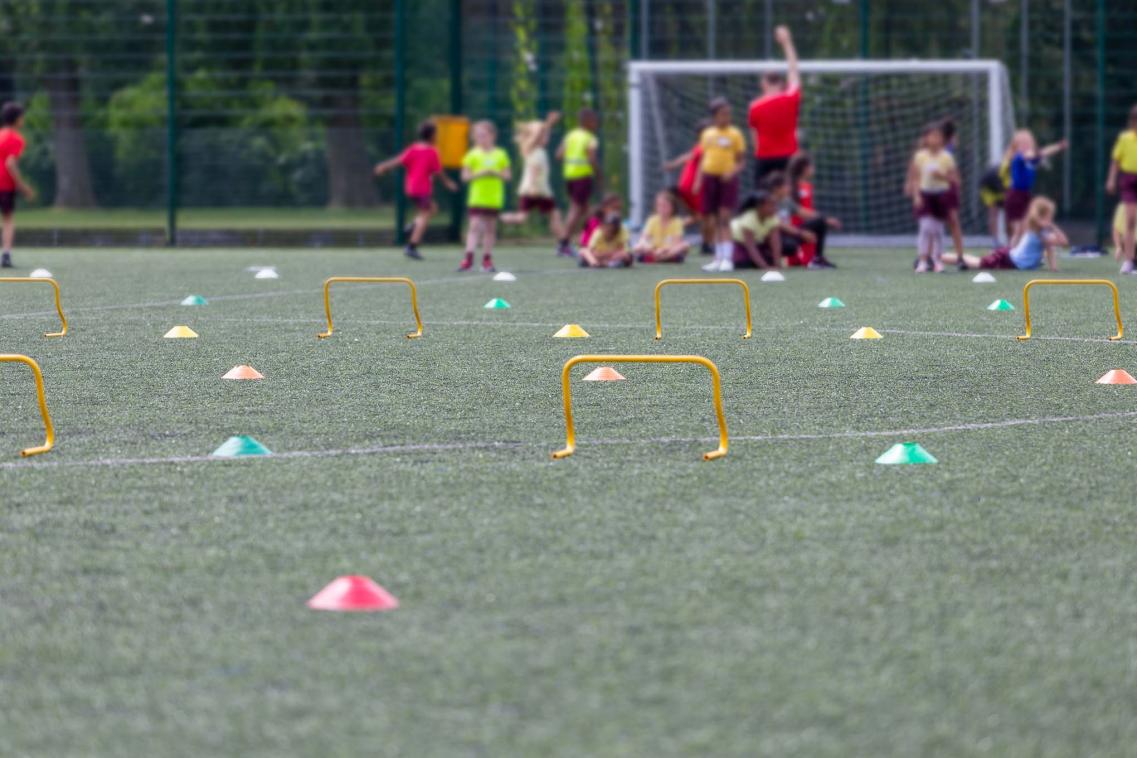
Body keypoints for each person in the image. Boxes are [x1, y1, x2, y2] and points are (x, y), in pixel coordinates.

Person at [373, 120, 458, 261]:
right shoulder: (432, 151)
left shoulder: (413, 149)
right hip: (422, 189)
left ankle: (412, 226)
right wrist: (448, 183)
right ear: (432, 135)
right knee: (425, 214)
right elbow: (439, 172)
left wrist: (383, 166)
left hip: (411, 188)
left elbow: (398, 161)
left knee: (432, 209)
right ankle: (411, 246)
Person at [943, 197, 1065, 272]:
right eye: (1049, 216)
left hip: (1009, 257)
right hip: (1008, 260)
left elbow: (1051, 248)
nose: (1050, 219)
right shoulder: (1037, 233)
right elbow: (1062, 242)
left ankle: (938, 257)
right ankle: (938, 257)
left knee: (975, 261)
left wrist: (1053, 268)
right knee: (975, 263)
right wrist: (1053, 226)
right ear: (1041, 217)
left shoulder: (1042, 232)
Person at [695, 97, 746, 273]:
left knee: (725, 217)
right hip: (710, 178)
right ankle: (717, 258)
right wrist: (698, 179)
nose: (726, 117)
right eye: (723, 114)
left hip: (727, 180)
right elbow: (703, 158)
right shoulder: (707, 134)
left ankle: (728, 258)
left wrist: (732, 172)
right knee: (714, 219)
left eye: (728, 114)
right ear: (715, 116)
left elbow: (741, 161)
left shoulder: (735, 134)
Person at [748, 25, 801, 186]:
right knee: (788, 197)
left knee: (762, 199)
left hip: (764, 158)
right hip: (788, 157)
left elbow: (754, 137)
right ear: (781, 83)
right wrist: (787, 42)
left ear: (763, 84)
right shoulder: (791, 97)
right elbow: (793, 70)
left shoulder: (755, 107)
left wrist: (759, 154)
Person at [502, 112, 564, 245]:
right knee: (554, 215)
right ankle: (563, 244)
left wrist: (548, 124)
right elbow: (534, 171)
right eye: (544, 134)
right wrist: (533, 187)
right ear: (538, 137)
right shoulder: (536, 152)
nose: (547, 136)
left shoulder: (532, 150)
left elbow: (539, 133)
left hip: (535, 190)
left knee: (522, 218)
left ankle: (496, 217)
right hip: (538, 191)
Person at [458, 120, 511, 273]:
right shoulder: (472, 155)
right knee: (474, 226)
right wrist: (479, 173)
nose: (481, 138)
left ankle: (487, 259)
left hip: (493, 198)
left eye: (484, 135)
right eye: (478, 136)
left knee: (490, 228)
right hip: (477, 198)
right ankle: (468, 259)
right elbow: (465, 176)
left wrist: (495, 172)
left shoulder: (501, 154)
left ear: (493, 136)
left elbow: (507, 176)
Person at [906, 122, 958, 273]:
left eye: (938, 136)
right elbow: (915, 178)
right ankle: (923, 261)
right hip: (926, 195)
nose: (936, 139)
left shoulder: (946, 157)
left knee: (938, 230)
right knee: (926, 228)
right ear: (926, 138)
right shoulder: (920, 157)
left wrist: (941, 175)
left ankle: (937, 260)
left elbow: (954, 179)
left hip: (941, 195)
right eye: (932, 136)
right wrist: (916, 196)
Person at [1004, 129, 1068, 246]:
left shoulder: (1032, 160)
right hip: (1015, 196)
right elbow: (1038, 153)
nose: (1026, 146)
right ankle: (1010, 254)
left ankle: (1018, 253)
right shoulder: (1018, 157)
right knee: (1018, 231)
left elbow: (1043, 152)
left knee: (1026, 229)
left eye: (1028, 143)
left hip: (1025, 195)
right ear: (1016, 146)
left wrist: (1058, 147)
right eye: (1023, 144)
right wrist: (1043, 151)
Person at [663, 118, 713, 255]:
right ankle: (707, 244)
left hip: (684, 183)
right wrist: (698, 182)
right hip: (693, 185)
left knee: (697, 216)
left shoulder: (698, 146)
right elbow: (701, 166)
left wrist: (672, 165)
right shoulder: (705, 146)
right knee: (705, 216)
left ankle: (668, 230)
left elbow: (686, 157)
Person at [556, 108, 601, 256]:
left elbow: (559, 154)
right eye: (594, 120)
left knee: (585, 209)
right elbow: (592, 159)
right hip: (582, 177)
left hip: (569, 176)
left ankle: (591, 238)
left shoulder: (571, 135)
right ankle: (563, 243)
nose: (596, 123)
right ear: (587, 121)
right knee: (575, 210)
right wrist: (598, 173)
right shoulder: (589, 138)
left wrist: (571, 162)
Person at [786, 153, 839, 268]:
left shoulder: (804, 186)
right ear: (805, 168)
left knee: (817, 222)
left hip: (797, 229)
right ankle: (816, 258)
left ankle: (809, 258)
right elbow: (802, 213)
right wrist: (825, 219)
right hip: (794, 230)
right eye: (812, 166)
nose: (814, 169)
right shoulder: (794, 187)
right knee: (819, 222)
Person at [0, 102, 35, 269]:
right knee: (8, 219)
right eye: (22, 117)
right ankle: (6, 255)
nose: (23, 120)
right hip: (5, 185)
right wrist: (22, 186)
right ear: (16, 119)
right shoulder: (16, 138)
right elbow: (10, 163)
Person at [1106, 104, 1137, 274]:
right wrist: (1111, 180)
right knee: (1130, 220)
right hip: (1129, 180)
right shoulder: (1125, 138)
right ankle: (1129, 260)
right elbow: (1116, 161)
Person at [729, 191, 782, 269]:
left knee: (768, 260)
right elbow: (751, 247)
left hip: (758, 243)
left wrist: (777, 264)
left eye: (775, 205)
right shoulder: (749, 219)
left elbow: (775, 243)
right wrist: (765, 267)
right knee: (743, 264)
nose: (775, 208)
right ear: (760, 207)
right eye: (771, 205)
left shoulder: (772, 218)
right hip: (741, 245)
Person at [940, 119, 967, 269]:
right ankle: (930, 256)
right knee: (935, 225)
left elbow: (953, 172)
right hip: (936, 189)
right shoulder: (935, 150)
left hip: (947, 188)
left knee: (952, 222)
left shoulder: (948, 149)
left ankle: (960, 256)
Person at [634, 191, 689, 264]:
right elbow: (644, 239)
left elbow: (677, 242)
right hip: (653, 250)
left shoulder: (677, 221)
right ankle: (664, 258)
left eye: (665, 206)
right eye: (659, 205)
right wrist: (649, 247)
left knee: (684, 245)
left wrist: (663, 250)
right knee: (638, 246)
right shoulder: (652, 220)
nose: (662, 208)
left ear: (672, 207)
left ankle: (657, 258)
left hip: (669, 250)